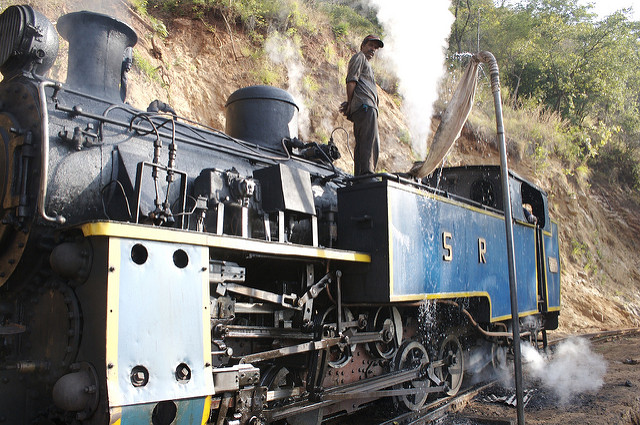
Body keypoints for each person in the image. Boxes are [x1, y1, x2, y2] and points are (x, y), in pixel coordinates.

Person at [340, 35, 383, 175]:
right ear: (362, 46)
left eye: (375, 47)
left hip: (366, 107)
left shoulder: (367, 64)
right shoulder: (359, 57)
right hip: (365, 106)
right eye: (370, 45)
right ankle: (366, 174)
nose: (373, 49)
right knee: (370, 142)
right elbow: (352, 81)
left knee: (365, 141)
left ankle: (361, 175)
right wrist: (350, 103)